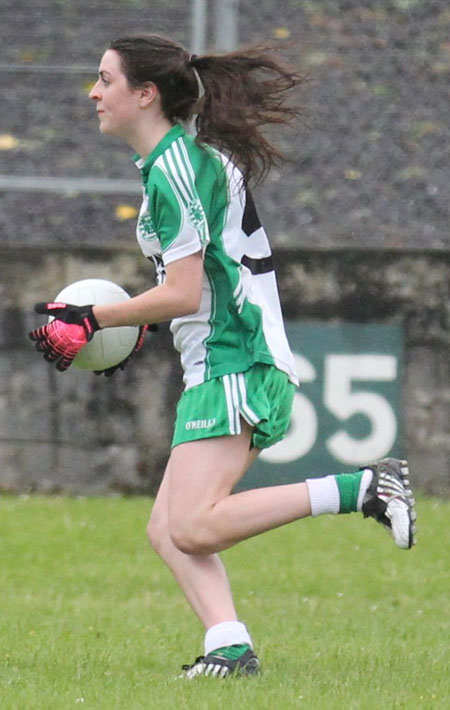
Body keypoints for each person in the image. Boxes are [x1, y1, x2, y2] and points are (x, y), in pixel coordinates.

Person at [29, 34, 417, 679]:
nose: (94, 94)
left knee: (193, 528)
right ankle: (229, 649)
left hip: (236, 361)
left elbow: (181, 291)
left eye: (105, 80)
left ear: (145, 94)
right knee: (168, 529)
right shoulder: (179, 164)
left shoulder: (177, 171)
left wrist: (95, 317)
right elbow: (200, 284)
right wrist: (130, 330)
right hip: (222, 359)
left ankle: (361, 488)